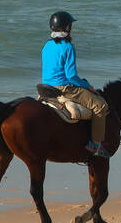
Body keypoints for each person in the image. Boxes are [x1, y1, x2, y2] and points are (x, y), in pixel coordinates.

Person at [41, 10, 111, 158]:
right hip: (63, 88)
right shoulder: (68, 47)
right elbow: (71, 76)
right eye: (70, 26)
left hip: (46, 86)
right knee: (100, 106)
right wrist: (87, 86)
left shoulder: (47, 45)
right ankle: (95, 145)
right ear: (66, 28)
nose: (72, 29)